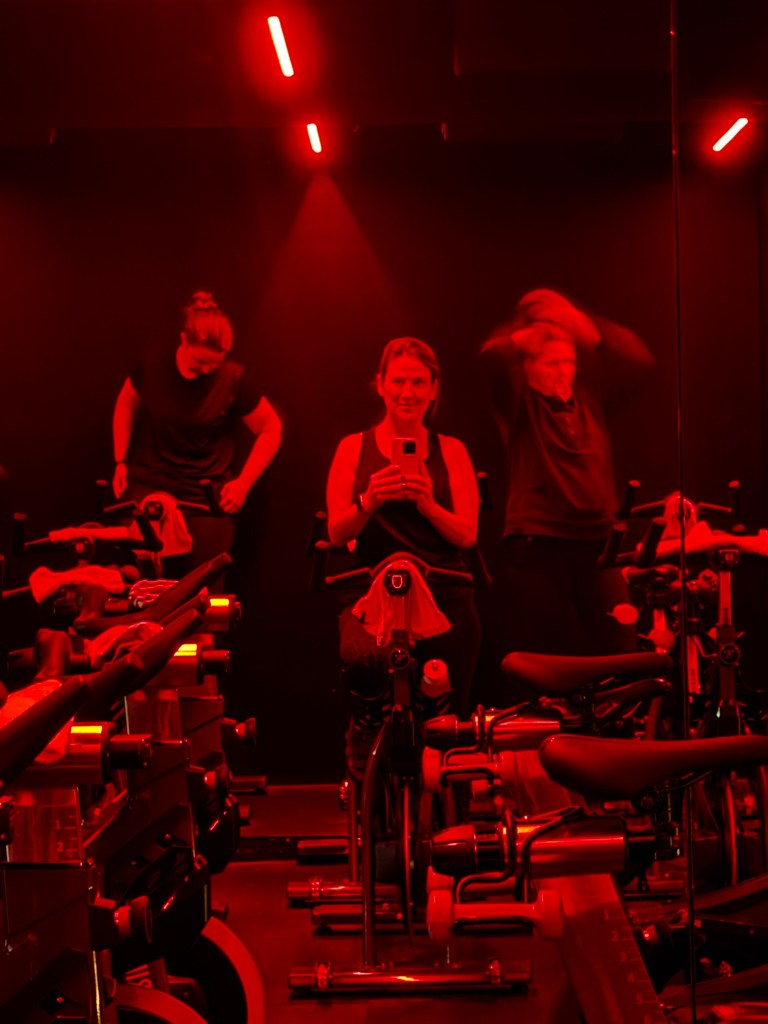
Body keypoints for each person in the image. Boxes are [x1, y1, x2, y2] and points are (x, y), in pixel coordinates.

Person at [326, 336, 481, 783]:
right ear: (379, 385)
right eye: (398, 381)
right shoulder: (352, 448)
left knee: (450, 708)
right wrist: (369, 500)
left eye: (418, 382)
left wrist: (429, 504)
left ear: (434, 389)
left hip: (443, 586)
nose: (406, 392)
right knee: (366, 675)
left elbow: (467, 535)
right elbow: (337, 533)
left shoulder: (451, 450)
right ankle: (366, 760)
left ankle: (453, 802)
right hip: (370, 588)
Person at [480, 288, 654, 656]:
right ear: (526, 369)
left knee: (622, 648)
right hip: (539, 546)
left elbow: (639, 361)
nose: (564, 371)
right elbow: (493, 357)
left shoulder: (590, 400)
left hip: (598, 546)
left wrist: (585, 325)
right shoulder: (520, 408)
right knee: (550, 659)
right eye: (551, 363)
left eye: (569, 361)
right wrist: (527, 333)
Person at [112, 290, 282, 572]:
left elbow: (271, 428)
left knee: (206, 580)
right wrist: (120, 460)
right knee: (139, 576)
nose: (206, 370)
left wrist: (243, 484)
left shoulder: (232, 379)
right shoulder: (152, 366)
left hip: (204, 497)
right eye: (200, 362)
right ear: (183, 340)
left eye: (215, 364)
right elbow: (127, 402)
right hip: (150, 485)